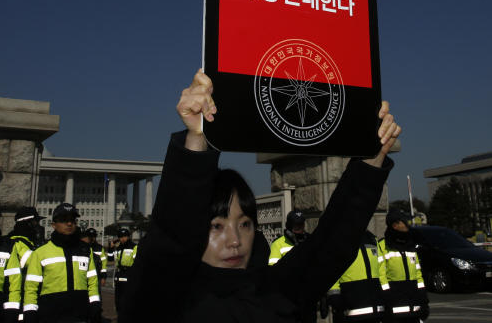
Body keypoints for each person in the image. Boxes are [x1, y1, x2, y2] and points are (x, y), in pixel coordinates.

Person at [119, 69, 401, 323]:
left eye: (244, 224)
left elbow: (332, 244)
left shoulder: (276, 291)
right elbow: (171, 241)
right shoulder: (162, 304)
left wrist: (371, 156)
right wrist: (197, 137)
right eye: (216, 226)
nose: (234, 241)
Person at [23, 203, 101, 323]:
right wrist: (30, 313)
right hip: (50, 315)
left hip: (80, 315)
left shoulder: (85, 250)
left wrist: (95, 307)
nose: (69, 224)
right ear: (53, 225)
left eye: (72, 220)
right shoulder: (41, 253)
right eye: (64, 220)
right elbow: (31, 288)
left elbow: (92, 283)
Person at [269, 211, 321, 323]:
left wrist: (323, 296)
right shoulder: (278, 244)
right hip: (289, 301)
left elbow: (320, 269)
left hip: (308, 301)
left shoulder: (310, 241)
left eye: (301, 224)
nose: (300, 228)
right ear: (289, 226)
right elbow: (273, 274)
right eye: (297, 225)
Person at [378, 209, 428, 322]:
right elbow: (381, 277)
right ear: (395, 225)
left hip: (414, 310)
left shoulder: (410, 246)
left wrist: (424, 301)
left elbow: (418, 275)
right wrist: (386, 303)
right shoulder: (382, 247)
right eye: (404, 222)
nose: (408, 225)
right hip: (394, 312)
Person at [328, 231, 389, 323]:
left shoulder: (371, 239)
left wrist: (386, 296)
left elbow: (381, 270)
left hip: (376, 309)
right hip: (352, 310)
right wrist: (336, 301)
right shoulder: (338, 239)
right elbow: (332, 272)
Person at [6, 207, 46, 320]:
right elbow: (36, 262)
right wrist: (40, 243)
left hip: (32, 297)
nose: (38, 225)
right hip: (21, 298)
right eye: (36, 222)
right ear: (28, 223)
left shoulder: (28, 242)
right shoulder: (16, 242)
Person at [111, 227, 137, 313]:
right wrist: (111, 248)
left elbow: (137, 263)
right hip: (119, 277)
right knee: (118, 302)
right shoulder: (119, 248)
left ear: (128, 237)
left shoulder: (134, 247)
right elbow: (111, 259)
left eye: (125, 236)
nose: (123, 238)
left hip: (129, 276)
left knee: (128, 301)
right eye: (121, 237)